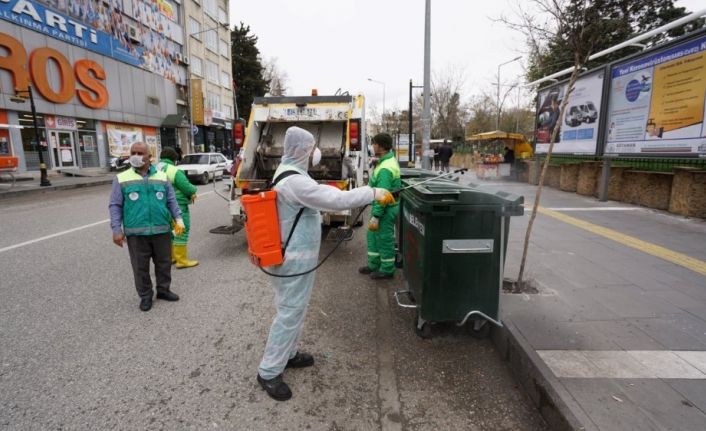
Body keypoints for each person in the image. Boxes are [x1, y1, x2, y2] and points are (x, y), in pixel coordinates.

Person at [257, 126, 394, 401]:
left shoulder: (290, 174)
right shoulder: (295, 181)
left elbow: (319, 192)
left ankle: (289, 353)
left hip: (293, 260)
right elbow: (336, 200)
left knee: (295, 310)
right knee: (289, 313)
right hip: (292, 261)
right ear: (303, 151)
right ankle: (269, 371)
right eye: (311, 150)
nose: (314, 156)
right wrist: (373, 192)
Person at [109, 142, 184, 312]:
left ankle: (163, 290)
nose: (135, 155)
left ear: (150, 157)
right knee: (140, 266)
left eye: (140, 153)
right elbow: (115, 205)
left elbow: (171, 200)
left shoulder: (162, 177)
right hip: (136, 232)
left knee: (164, 263)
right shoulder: (121, 178)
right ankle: (145, 296)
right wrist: (116, 230)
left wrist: (178, 218)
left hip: (161, 229)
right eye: (133, 152)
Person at [358, 133, 401, 280]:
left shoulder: (385, 168)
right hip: (381, 207)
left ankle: (387, 269)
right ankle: (374, 264)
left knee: (384, 238)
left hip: (385, 209)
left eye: (374, 143)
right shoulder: (384, 162)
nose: (372, 146)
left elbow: (382, 196)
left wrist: (376, 215)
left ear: (381, 146)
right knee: (372, 235)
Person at [157, 147, 199, 268]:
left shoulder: (153, 169)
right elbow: (186, 187)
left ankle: (172, 257)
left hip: (160, 206)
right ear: (174, 159)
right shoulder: (173, 171)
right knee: (181, 230)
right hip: (176, 205)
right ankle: (181, 260)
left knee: (171, 231)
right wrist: (193, 190)